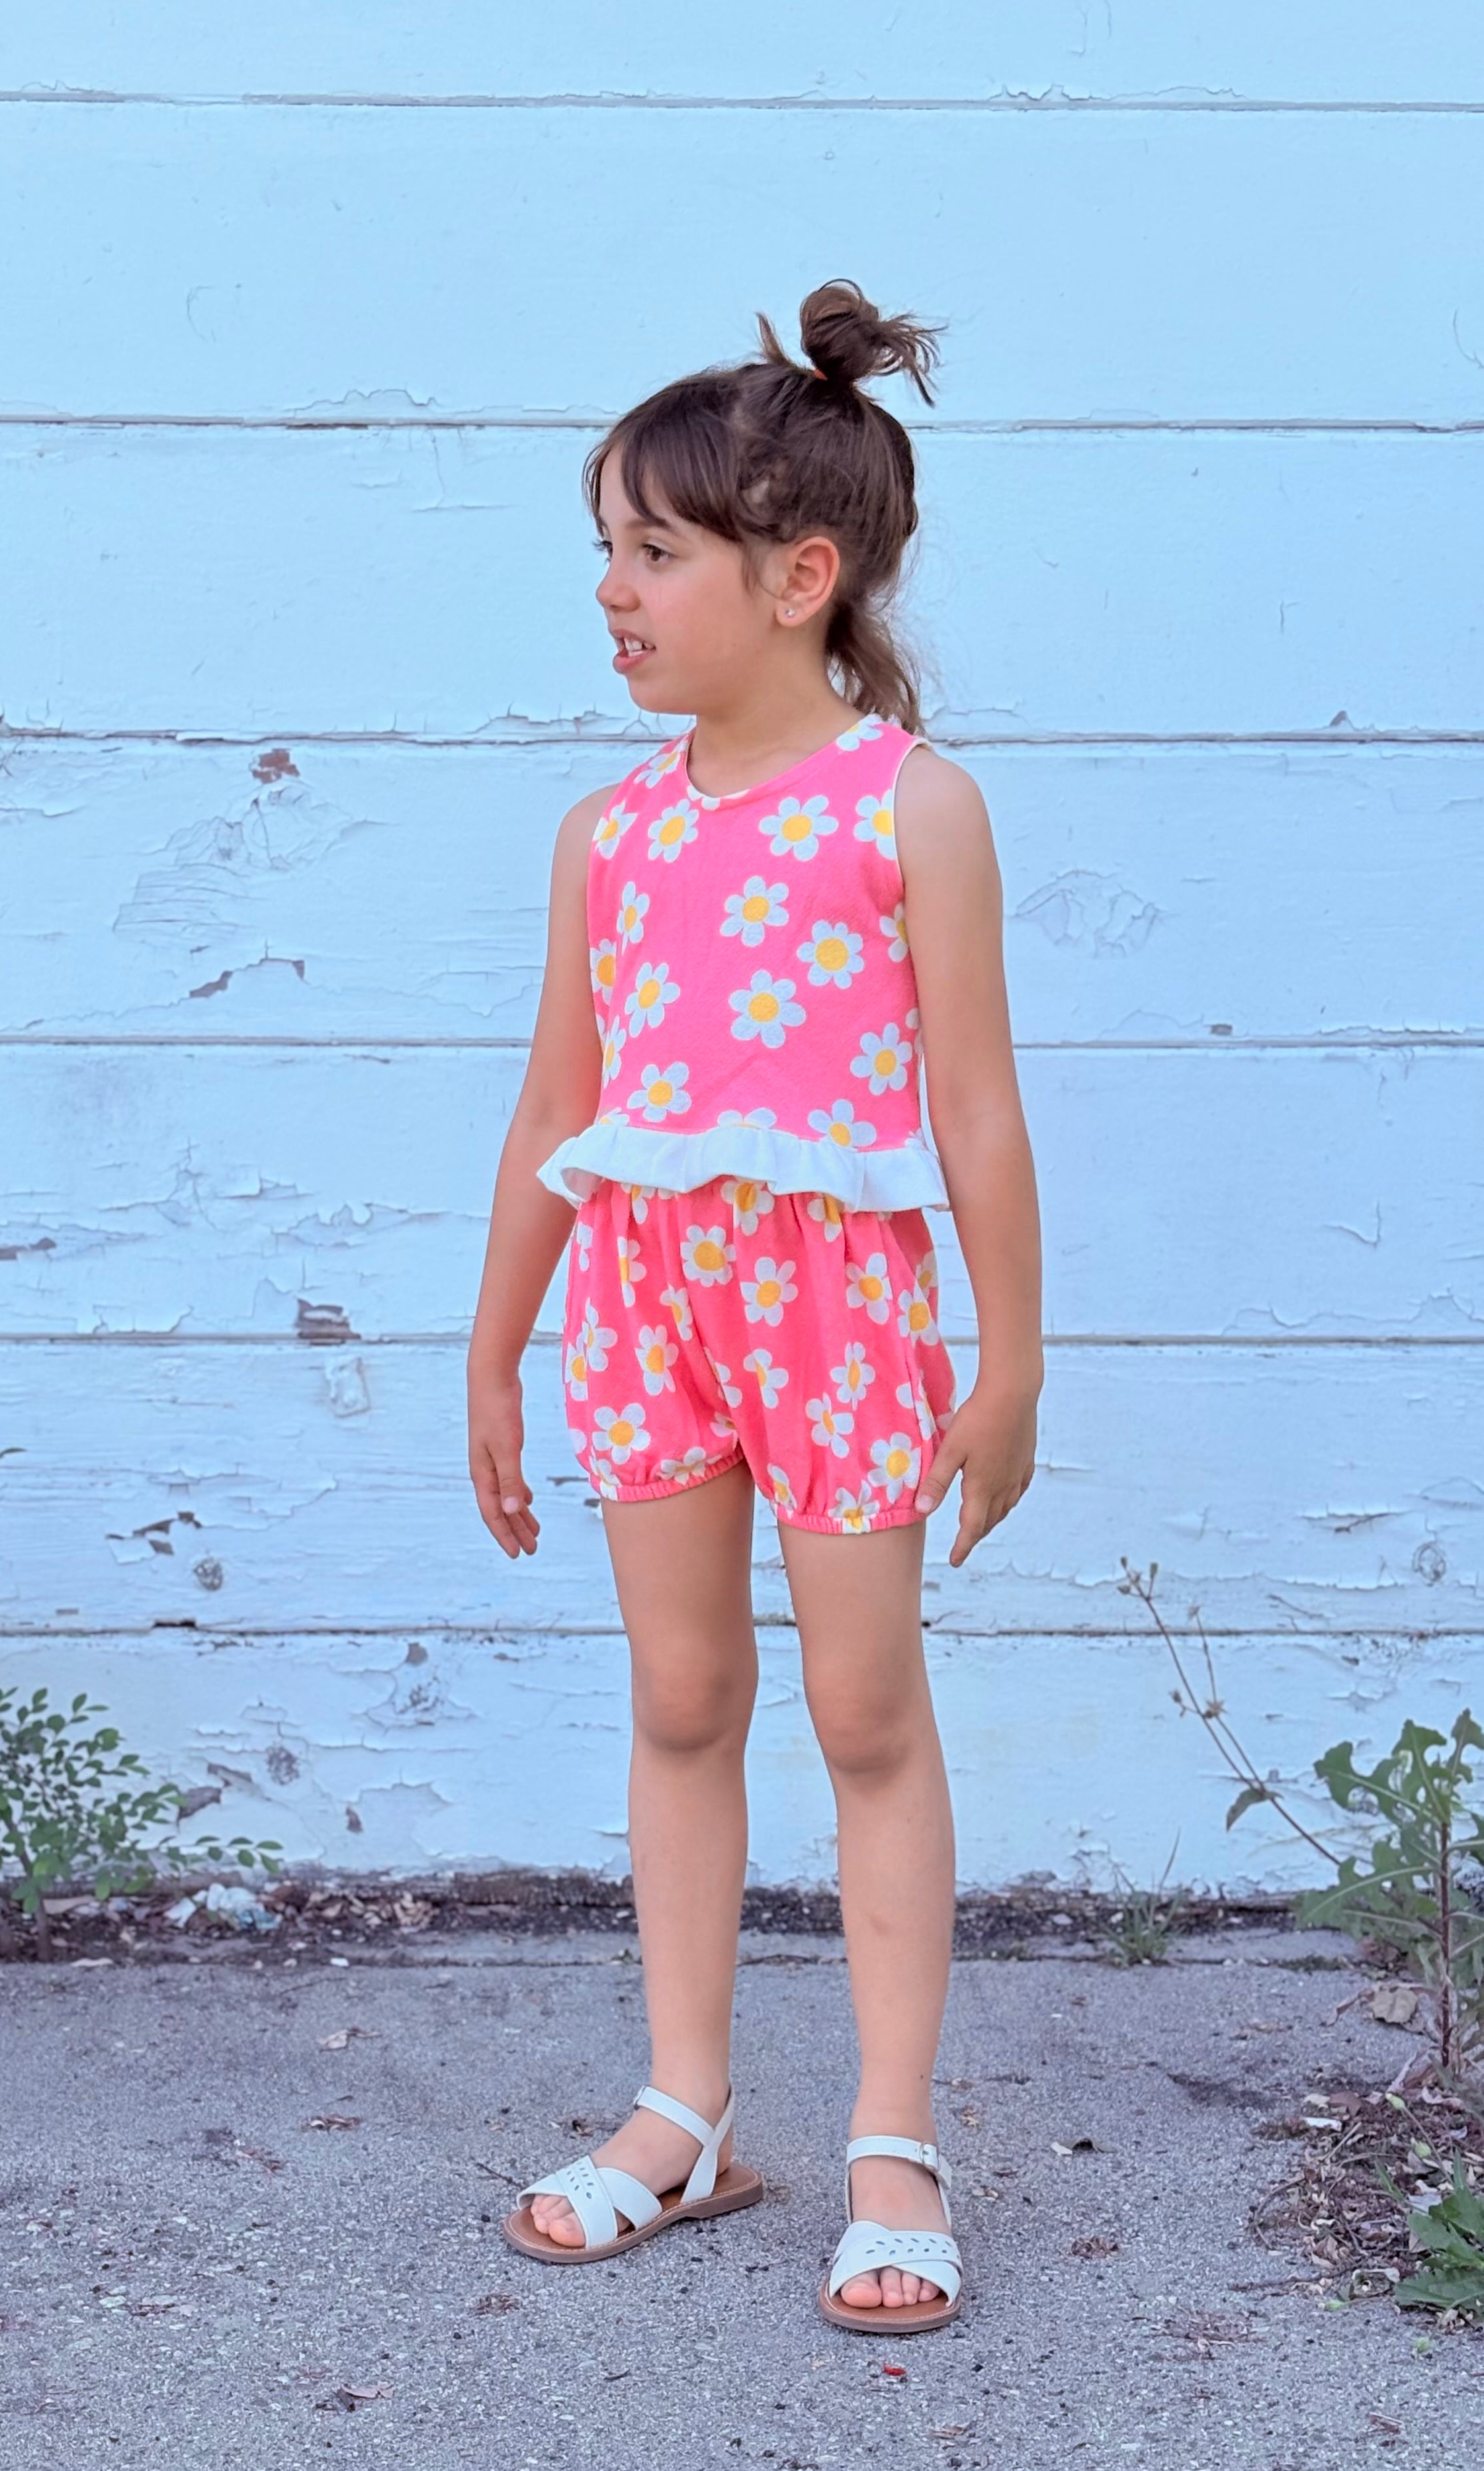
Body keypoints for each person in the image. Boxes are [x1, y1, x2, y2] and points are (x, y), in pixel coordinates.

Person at [465, 281, 1043, 2332]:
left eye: (652, 552)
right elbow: (563, 1096)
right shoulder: (606, 837)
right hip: (646, 1299)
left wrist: (1014, 1353)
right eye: (605, 552)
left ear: (800, 578)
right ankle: (686, 2104)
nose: (610, 594)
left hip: (840, 1313)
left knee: (867, 1711)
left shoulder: (911, 811)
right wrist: (496, 1343)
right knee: (683, 1697)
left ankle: (896, 2132)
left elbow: (972, 1101)